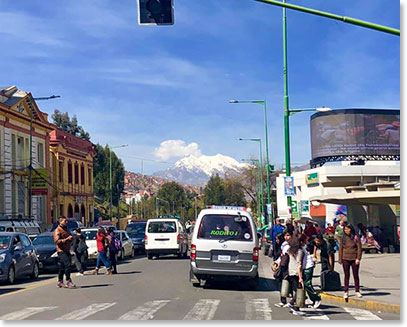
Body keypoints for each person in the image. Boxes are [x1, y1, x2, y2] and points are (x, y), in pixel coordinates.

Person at [338, 224, 362, 299]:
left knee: (355, 275)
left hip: (354, 258)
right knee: (346, 275)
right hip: (345, 258)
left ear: (351, 229)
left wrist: (358, 258)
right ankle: (346, 291)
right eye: (345, 229)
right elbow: (340, 249)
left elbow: (359, 248)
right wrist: (340, 259)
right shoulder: (343, 238)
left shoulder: (355, 237)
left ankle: (357, 291)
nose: (346, 231)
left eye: (348, 229)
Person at [284, 232, 305, 316]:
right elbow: (299, 264)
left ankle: (296, 307)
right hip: (296, 272)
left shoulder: (291, 250)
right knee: (299, 290)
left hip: (291, 271)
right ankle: (293, 304)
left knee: (296, 290)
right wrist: (300, 277)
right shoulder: (299, 251)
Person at [299, 235, 321, 309]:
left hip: (308, 266)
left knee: (307, 283)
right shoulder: (303, 247)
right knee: (305, 284)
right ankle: (310, 299)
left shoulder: (304, 248)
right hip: (305, 266)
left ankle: (316, 298)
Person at [53, 217, 75, 288]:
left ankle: (60, 281)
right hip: (61, 250)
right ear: (60, 222)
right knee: (68, 264)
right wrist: (66, 239)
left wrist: (71, 239)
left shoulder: (66, 229)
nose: (67, 222)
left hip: (67, 249)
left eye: (67, 221)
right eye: (65, 221)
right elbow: (57, 241)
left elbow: (69, 237)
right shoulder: (57, 230)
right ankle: (68, 280)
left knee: (62, 266)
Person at [273, 231, 291, 308]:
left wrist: (279, 264)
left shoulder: (286, 246)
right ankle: (283, 300)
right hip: (281, 267)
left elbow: (284, 257)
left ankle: (291, 301)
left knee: (287, 283)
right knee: (281, 283)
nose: (277, 241)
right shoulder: (280, 246)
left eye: (277, 239)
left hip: (286, 268)